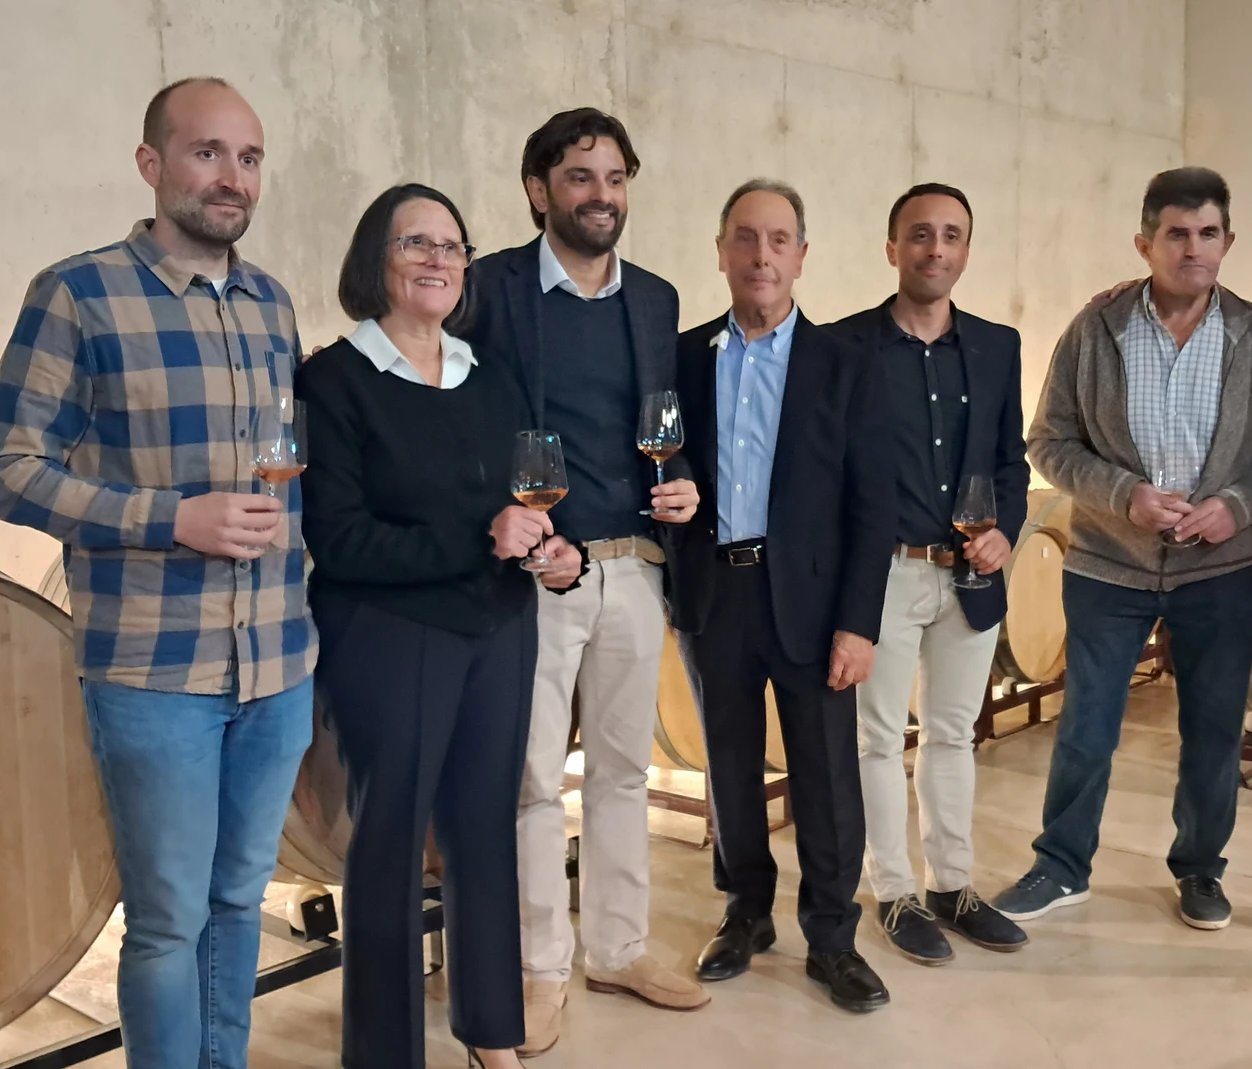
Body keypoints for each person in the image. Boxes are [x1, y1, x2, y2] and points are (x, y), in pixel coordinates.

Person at [0, 77, 314, 1069]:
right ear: (152, 165)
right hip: (155, 671)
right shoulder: (78, 294)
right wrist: (173, 520)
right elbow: (1, 468)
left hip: (280, 665)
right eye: (207, 153)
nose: (231, 178)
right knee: (166, 922)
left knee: (239, 901)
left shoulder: (270, 303)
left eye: (248, 158)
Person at [300, 183, 578, 1069]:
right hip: (388, 635)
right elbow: (337, 538)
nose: (437, 258)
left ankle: (493, 1031)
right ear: (373, 260)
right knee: (386, 846)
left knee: (484, 831)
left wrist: (547, 552)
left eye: (452, 245)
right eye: (414, 241)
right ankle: (384, 1055)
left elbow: (515, 505)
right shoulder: (334, 378)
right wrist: (480, 537)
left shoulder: (488, 376)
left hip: (498, 626)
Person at [461, 107, 708, 1056]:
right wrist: (525, 535)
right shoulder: (488, 290)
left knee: (622, 773)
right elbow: (463, 417)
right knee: (531, 780)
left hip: (636, 565)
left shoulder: (653, 297)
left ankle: (619, 947)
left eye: (614, 178)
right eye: (580, 177)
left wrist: (678, 485)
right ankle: (539, 969)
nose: (601, 195)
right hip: (534, 574)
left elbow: (661, 429)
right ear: (539, 191)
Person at [994, 167, 1252, 934]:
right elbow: (1047, 441)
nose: (1194, 248)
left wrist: (1237, 505)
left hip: (1220, 569)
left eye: (1208, 233)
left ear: (1227, 241)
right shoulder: (1097, 330)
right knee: (1087, 725)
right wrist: (1125, 495)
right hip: (1107, 566)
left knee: (1215, 730)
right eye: (1176, 234)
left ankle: (1200, 869)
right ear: (1144, 241)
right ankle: (1062, 866)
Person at [668, 179, 897, 1013]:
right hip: (712, 593)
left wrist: (858, 623)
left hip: (810, 599)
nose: (761, 256)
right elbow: (660, 464)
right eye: (745, 238)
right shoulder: (685, 355)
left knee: (827, 775)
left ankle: (833, 937)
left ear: (802, 255)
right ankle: (747, 911)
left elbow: (875, 507)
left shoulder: (846, 362)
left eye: (777, 240)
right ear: (722, 250)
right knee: (728, 765)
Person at [826, 184, 1032, 964]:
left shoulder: (997, 344)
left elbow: (1010, 460)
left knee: (952, 736)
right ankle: (894, 892)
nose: (935, 249)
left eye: (951, 236)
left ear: (966, 251)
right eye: (920, 235)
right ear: (892, 248)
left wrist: (1007, 530)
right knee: (876, 741)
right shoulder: (845, 347)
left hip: (971, 578)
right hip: (882, 575)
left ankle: (953, 884)